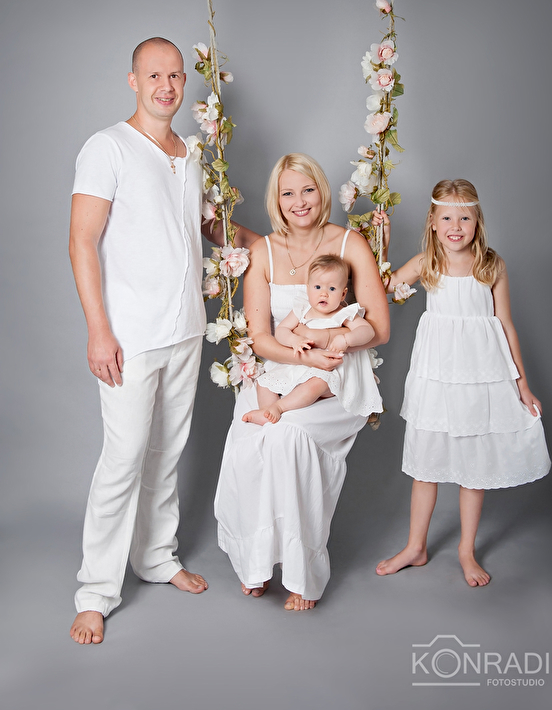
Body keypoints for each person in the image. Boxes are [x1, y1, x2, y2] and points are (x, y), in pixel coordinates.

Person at [68, 37, 257, 644]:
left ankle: (155, 556)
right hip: (129, 333)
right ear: (133, 80)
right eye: (154, 76)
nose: (167, 86)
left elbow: (205, 223)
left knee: (166, 452)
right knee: (123, 457)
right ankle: (95, 593)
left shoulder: (190, 153)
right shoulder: (107, 147)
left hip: (186, 329)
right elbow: (81, 239)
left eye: (175, 75)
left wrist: (270, 244)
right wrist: (99, 329)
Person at [214, 153, 390, 610]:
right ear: (276, 199)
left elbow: (379, 329)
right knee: (253, 441)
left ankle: (301, 574)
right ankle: (256, 562)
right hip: (280, 369)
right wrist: (301, 352)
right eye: (288, 192)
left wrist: (326, 343)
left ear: (322, 192)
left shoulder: (350, 243)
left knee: (287, 438)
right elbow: (261, 338)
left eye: (308, 190)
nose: (299, 201)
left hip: (335, 378)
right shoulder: (263, 252)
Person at [374, 179, 551, 586]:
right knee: (425, 466)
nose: (456, 227)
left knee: (474, 467)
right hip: (437, 375)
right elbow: (384, 287)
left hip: (478, 375)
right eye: (447, 218)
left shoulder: (491, 265)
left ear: (477, 222)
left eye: (465, 218)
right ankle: (415, 546)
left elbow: (506, 325)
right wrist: (383, 243)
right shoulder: (426, 262)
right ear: (433, 222)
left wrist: (522, 384)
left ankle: (466, 550)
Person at [242, 253, 383, 425]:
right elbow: (282, 330)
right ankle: (266, 411)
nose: (324, 294)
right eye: (317, 287)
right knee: (264, 382)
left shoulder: (344, 313)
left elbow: (367, 331)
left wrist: (346, 339)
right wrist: (293, 340)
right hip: (302, 365)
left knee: (316, 384)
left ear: (343, 294)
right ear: (308, 288)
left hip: (331, 371)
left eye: (332, 289)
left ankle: (279, 407)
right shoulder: (302, 309)